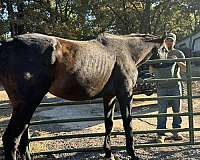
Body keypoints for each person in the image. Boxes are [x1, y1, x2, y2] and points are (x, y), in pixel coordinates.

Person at [149, 33, 187, 143]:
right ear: (164, 41)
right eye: (167, 40)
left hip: (175, 86)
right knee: (162, 111)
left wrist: (177, 61)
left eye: (171, 40)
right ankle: (160, 134)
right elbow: (151, 70)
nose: (169, 42)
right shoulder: (158, 52)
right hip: (161, 86)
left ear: (174, 41)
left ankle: (176, 132)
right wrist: (154, 64)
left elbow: (184, 69)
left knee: (177, 110)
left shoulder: (178, 53)